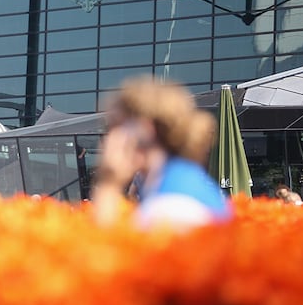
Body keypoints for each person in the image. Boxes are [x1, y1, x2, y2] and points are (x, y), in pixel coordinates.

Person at [92, 77, 232, 229]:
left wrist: (108, 186)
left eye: (114, 125)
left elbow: (110, 251)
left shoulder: (170, 207)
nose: (108, 137)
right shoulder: (180, 179)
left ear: (145, 129)